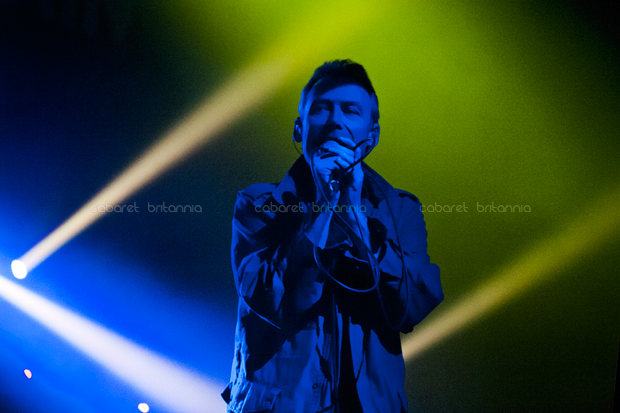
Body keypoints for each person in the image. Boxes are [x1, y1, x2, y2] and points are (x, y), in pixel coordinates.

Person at [222, 59, 443, 412]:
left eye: (351, 111)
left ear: (371, 136)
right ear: (299, 129)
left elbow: (412, 307)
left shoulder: (400, 210)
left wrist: (353, 211)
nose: (336, 121)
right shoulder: (260, 205)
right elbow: (274, 301)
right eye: (321, 109)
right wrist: (324, 205)